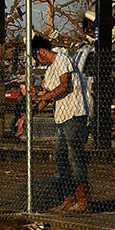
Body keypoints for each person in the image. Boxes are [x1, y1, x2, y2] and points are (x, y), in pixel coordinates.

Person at [28, 34, 92, 213]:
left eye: (35, 55)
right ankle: (69, 197)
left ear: (41, 51)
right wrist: (29, 113)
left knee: (74, 156)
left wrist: (45, 96)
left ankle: (83, 199)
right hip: (61, 118)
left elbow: (65, 86)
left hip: (74, 114)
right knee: (60, 156)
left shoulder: (62, 59)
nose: (36, 59)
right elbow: (45, 98)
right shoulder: (48, 71)